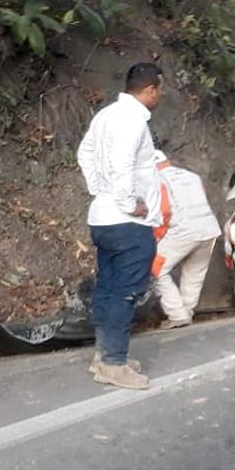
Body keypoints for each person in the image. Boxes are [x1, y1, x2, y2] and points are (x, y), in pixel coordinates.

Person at [76, 63, 165, 390]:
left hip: (103, 219)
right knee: (125, 294)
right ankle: (114, 364)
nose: (161, 95)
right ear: (151, 89)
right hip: (127, 222)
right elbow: (123, 164)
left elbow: (84, 153)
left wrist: (99, 189)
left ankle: (105, 357)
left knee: (108, 288)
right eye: (160, 89)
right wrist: (129, 201)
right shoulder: (132, 120)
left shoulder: (106, 115)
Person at [151, 151, 221, 329]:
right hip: (209, 228)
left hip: (183, 231)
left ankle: (177, 314)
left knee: (156, 269)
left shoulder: (157, 180)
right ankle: (187, 311)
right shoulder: (192, 176)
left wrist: (155, 239)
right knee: (194, 272)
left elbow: (165, 212)